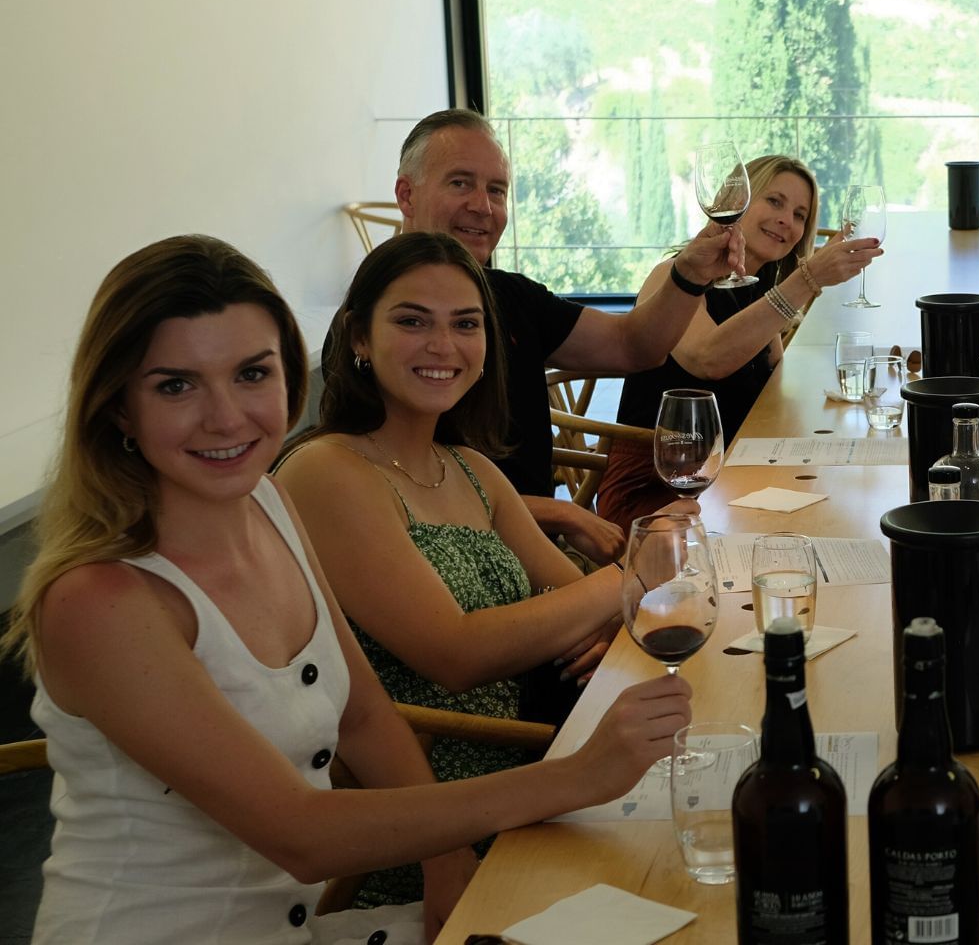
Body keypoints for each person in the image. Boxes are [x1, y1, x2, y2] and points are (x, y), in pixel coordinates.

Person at [2, 236, 691, 944]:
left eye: (251, 374)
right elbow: (300, 834)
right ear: (117, 407)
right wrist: (577, 777)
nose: (227, 416)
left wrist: (446, 856)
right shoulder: (98, 601)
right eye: (175, 385)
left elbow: (363, 714)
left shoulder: (268, 505)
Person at [390, 108, 743, 566]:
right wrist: (560, 515)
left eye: (496, 190)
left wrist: (690, 273)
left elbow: (632, 345)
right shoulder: (381, 325)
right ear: (406, 193)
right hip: (453, 563)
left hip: (536, 550)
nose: (483, 206)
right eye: (460, 183)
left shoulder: (511, 296)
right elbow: (401, 492)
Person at [594, 154, 881, 533]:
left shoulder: (756, 290)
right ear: (736, 202)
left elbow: (775, 386)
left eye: (799, 215)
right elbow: (708, 359)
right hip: (663, 487)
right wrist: (807, 280)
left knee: (845, 515)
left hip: (733, 477)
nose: (786, 220)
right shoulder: (673, 278)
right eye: (775, 201)